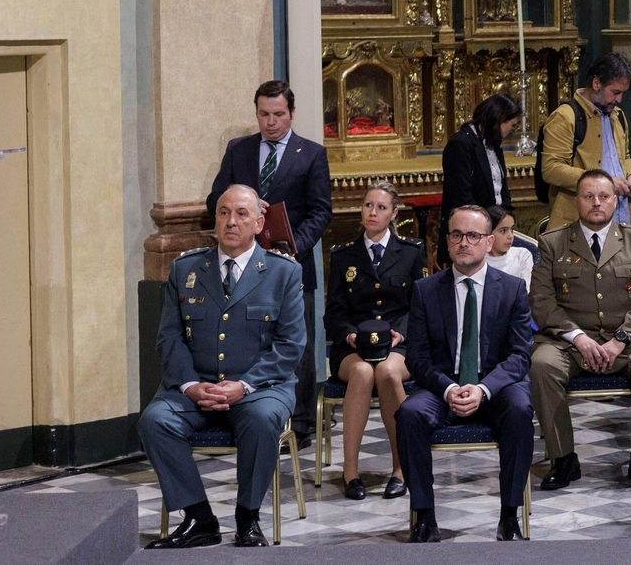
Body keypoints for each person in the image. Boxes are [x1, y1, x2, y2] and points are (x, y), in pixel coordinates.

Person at [139, 185, 306, 548]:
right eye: (224, 212)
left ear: (260, 223)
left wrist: (243, 386)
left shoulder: (283, 273)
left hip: (261, 389)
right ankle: (199, 518)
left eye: (242, 214)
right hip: (196, 386)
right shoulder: (185, 268)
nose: (231, 221)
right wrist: (189, 386)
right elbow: (169, 338)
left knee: (262, 421)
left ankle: (247, 518)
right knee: (155, 421)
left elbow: (290, 346)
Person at [394, 205, 535, 543]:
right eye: (456, 235)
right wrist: (448, 389)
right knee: (409, 413)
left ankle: (509, 517)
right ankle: (424, 517)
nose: (463, 243)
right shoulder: (426, 290)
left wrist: (483, 389)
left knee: (520, 410)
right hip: (442, 386)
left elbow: (519, 356)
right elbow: (416, 357)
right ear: (448, 241)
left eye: (473, 236)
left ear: (488, 242)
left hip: (494, 386)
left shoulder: (513, 288)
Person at [205, 79, 331, 440]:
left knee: (298, 343)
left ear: (291, 113)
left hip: (292, 265)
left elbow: (321, 213)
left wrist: (291, 249)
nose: (271, 122)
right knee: (249, 339)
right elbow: (216, 196)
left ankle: (303, 422)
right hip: (243, 262)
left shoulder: (311, 154)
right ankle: (251, 412)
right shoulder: (239, 150)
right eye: (264, 114)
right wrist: (240, 203)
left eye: (278, 114)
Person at [529, 170, 631, 490]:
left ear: (615, 201)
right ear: (576, 201)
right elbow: (541, 300)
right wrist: (577, 336)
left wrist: (621, 339)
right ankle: (563, 459)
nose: (596, 203)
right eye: (588, 196)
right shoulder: (552, 242)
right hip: (568, 342)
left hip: (628, 340)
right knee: (542, 365)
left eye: (603, 196)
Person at [323, 181, 426, 500]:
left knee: (386, 372)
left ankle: (401, 467)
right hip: (353, 347)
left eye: (381, 207)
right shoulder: (343, 256)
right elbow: (334, 312)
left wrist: (401, 332)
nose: (373, 212)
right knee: (364, 372)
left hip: (398, 344)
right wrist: (349, 333)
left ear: (394, 213)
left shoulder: (411, 251)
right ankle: (350, 471)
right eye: (368, 205)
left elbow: (420, 305)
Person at [539, 53, 631, 229]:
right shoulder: (565, 116)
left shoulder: (618, 116)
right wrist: (606, 183)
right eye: (615, 92)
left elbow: (623, 157)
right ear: (596, 84)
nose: (619, 99)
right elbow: (551, 169)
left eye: (622, 93)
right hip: (579, 224)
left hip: (619, 218)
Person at [441, 93, 524, 252]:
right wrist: (487, 225)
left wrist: (504, 222)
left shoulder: (494, 144)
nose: (512, 131)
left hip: (495, 231)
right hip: (470, 234)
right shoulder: (461, 144)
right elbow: (461, 197)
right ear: (500, 119)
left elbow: (501, 189)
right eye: (512, 125)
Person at [486, 205, 535, 290]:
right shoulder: (478, 258)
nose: (510, 236)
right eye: (503, 231)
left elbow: (525, 291)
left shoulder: (522, 255)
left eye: (512, 230)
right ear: (488, 233)